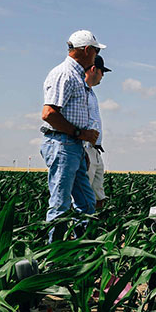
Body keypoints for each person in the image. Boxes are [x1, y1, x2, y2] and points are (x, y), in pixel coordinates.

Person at [40, 30, 105, 240]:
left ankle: (81, 248)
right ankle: (53, 254)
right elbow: (49, 114)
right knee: (60, 205)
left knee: (87, 203)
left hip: (74, 145)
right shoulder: (64, 74)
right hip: (63, 144)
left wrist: (81, 140)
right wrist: (79, 133)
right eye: (96, 51)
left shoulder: (77, 76)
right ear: (87, 50)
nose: (96, 55)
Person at [84, 55, 111, 210]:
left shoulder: (91, 93)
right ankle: (79, 223)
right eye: (102, 72)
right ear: (94, 70)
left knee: (98, 193)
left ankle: (97, 221)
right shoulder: (81, 91)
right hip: (85, 147)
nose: (103, 76)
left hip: (95, 149)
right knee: (83, 193)